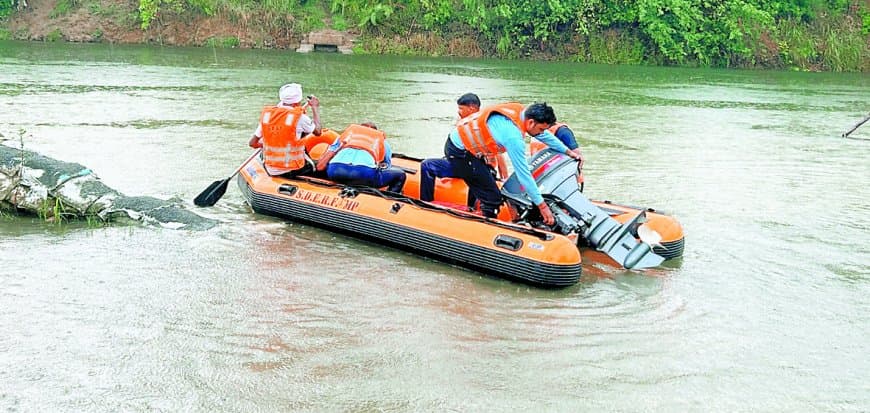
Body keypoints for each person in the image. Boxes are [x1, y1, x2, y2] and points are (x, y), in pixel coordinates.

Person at [434, 102, 583, 225]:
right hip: (459, 152)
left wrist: (568, 151)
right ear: (531, 122)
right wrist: (542, 206)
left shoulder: (521, 112)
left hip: (470, 147)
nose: (540, 133)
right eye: (540, 129)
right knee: (493, 197)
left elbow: (545, 136)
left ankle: (479, 210)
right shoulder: (513, 137)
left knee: (487, 180)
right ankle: (486, 226)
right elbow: (523, 175)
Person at [420, 93, 509, 208]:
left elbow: (498, 154)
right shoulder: (462, 122)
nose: (458, 111)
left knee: (475, 174)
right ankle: (425, 203)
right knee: (427, 165)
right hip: (459, 164)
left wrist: (504, 178)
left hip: (478, 169)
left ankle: (472, 208)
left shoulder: (484, 125)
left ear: (471, 108)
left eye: (461, 108)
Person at [247, 83, 322, 177]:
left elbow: (252, 143)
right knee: (320, 167)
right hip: (291, 168)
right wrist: (315, 107)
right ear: (297, 101)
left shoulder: (268, 116)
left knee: (300, 137)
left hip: (270, 168)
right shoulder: (300, 118)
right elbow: (318, 131)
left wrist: (268, 146)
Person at [315, 122, 406, 193]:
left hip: (336, 171)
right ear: (376, 131)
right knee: (400, 175)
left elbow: (320, 166)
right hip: (363, 174)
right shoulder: (382, 142)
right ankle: (388, 203)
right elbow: (386, 166)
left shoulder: (344, 137)